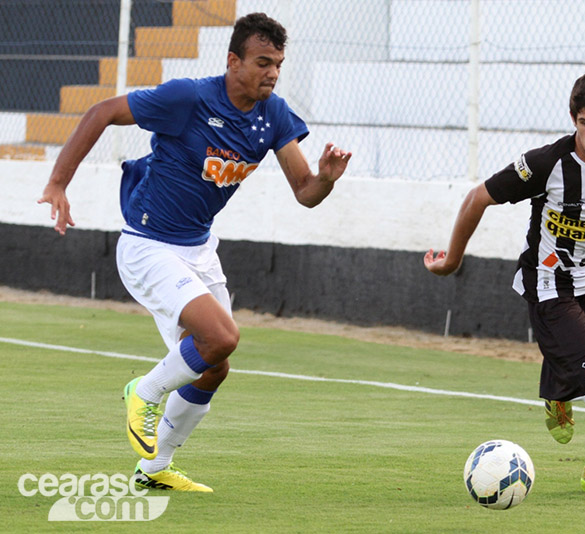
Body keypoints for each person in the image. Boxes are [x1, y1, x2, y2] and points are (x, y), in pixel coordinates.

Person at [38, 13, 352, 492]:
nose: (272, 73)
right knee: (223, 337)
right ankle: (142, 393)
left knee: (215, 364)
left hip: (199, 250)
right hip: (148, 246)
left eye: (279, 64)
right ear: (233, 61)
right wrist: (58, 184)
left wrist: (326, 178)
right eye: (262, 62)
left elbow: (305, 192)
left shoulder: (275, 115)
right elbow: (101, 111)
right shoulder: (187, 98)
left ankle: (154, 466)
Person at [425, 70, 585, 496]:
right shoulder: (547, 163)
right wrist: (452, 260)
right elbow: (477, 197)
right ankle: (560, 383)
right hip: (551, 284)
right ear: (572, 118)